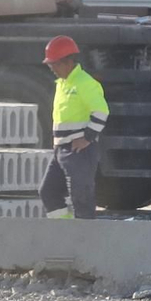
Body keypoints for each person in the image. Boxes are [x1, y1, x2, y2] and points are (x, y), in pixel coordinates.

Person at [39, 35, 109, 219]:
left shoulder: (85, 83)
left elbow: (101, 111)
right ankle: (66, 231)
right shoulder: (63, 84)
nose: (51, 68)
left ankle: (83, 239)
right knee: (48, 193)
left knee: (81, 198)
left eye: (54, 64)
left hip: (79, 151)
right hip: (61, 149)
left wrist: (87, 138)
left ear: (67, 62)